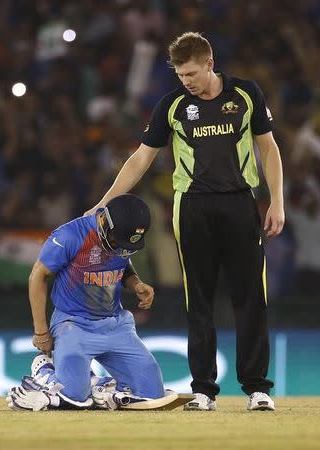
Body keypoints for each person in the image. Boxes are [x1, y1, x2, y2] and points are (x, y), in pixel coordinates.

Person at [84, 32, 285, 411]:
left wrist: (277, 201)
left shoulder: (245, 94)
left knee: (251, 299)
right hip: (192, 207)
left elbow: (268, 147)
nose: (186, 81)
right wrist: (104, 203)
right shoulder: (172, 105)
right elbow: (141, 159)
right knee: (199, 300)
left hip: (241, 205)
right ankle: (205, 392)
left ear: (209, 64)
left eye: (191, 73)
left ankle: (258, 390)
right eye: (180, 75)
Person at [6, 194, 193, 411]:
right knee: (74, 397)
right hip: (74, 325)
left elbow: (122, 260)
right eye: (116, 242)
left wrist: (136, 284)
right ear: (104, 221)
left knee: (152, 393)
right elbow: (37, 276)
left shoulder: (120, 237)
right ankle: (45, 372)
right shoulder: (70, 235)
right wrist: (41, 331)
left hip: (115, 324)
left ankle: (97, 385)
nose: (118, 249)